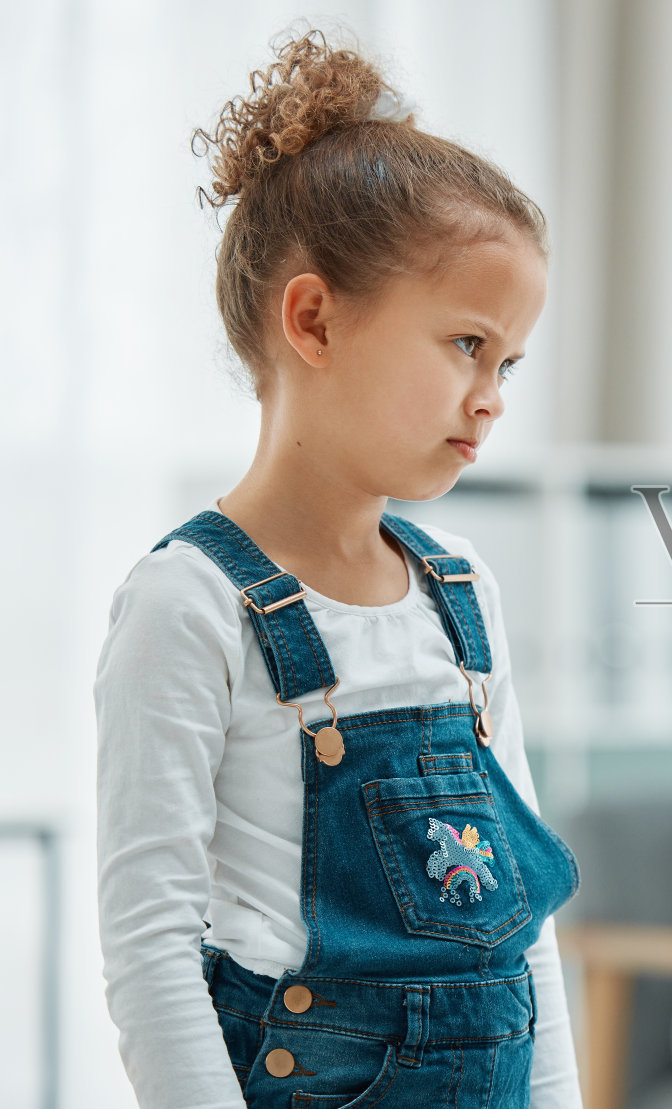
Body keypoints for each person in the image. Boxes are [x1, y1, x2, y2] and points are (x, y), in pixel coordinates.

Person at [92, 28, 580, 1109]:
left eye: (508, 361)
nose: (493, 393)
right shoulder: (189, 604)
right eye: (465, 344)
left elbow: (520, 934)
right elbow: (150, 945)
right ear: (312, 318)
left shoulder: (463, 600)